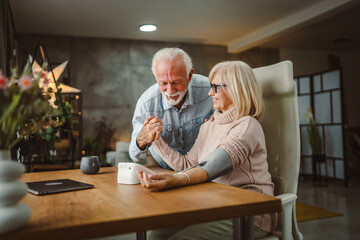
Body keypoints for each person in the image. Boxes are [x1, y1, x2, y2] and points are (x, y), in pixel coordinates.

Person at [137, 61, 276, 239]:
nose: (210, 93)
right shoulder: (209, 126)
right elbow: (187, 165)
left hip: (248, 214)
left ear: (236, 89)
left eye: (215, 87)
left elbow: (213, 166)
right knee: (155, 235)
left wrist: (175, 180)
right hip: (213, 207)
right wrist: (156, 139)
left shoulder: (247, 125)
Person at [129, 48, 213, 169]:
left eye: (176, 82)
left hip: (205, 166)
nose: (170, 91)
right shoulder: (146, 104)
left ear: (190, 75)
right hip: (163, 167)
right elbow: (135, 156)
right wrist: (141, 140)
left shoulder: (210, 92)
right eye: (163, 83)